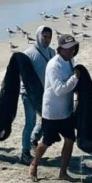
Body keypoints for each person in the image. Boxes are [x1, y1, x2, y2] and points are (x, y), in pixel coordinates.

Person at [29, 34, 80, 182]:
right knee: (46, 142)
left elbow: (72, 85)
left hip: (66, 111)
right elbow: (59, 89)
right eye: (68, 48)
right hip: (52, 112)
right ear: (60, 49)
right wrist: (75, 78)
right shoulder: (53, 65)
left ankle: (63, 172)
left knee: (70, 139)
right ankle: (34, 164)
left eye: (73, 48)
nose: (71, 51)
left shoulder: (70, 61)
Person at [20, 26, 54, 165]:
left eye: (49, 37)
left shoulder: (52, 53)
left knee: (47, 119)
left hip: (46, 93)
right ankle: (25, 153)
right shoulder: (28, 53)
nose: (46, 39)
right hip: (28, 94)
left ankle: (34, 140)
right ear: (38, 36)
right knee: (30, 122)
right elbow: (23, 74)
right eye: (44, 36)